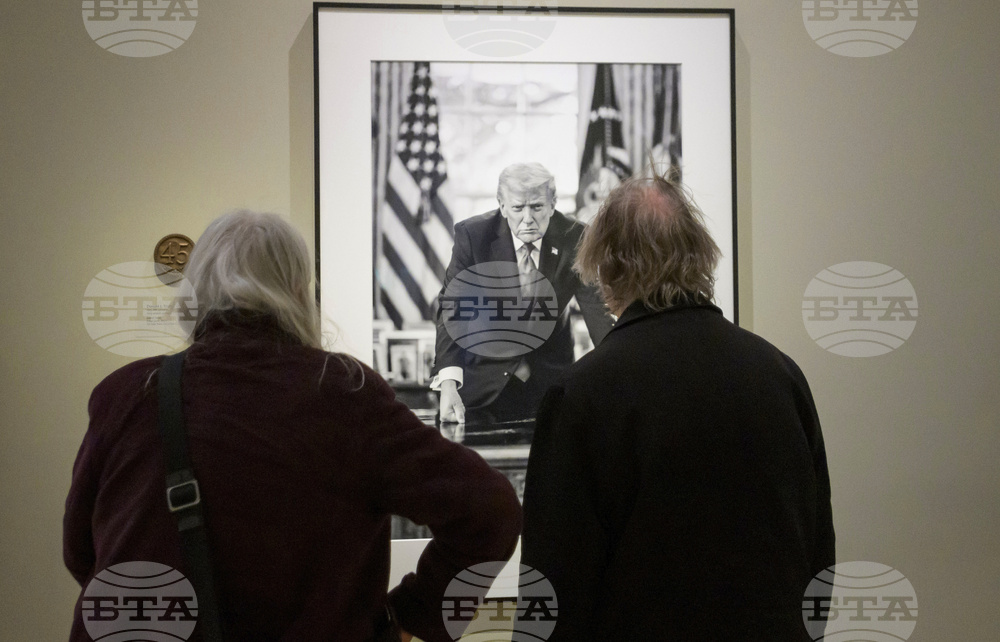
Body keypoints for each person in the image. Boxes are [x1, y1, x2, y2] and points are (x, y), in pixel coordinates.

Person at [64, 210, 522, 641]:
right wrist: (413, 616)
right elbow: (492, 511)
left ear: (194, 292)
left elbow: (82, 552)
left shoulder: (126, 393)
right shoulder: (345, 394)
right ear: (303, 290)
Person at [520, 170, 836, 640]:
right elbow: (818, 555)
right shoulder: (780, 375)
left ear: (605, 270)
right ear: (700, 258)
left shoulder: (581, 395)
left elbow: (552, 591)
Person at [432, 162, 614, 423]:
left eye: (537, 207)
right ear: (502, 205)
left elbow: (599, 315)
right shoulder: (473, 236)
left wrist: (622, 376)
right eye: (518, 208)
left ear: (552, 204)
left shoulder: (576, 237)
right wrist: (448, 384)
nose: (528, 218)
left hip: (550, 385)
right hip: (483, 385)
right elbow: (452, 310)